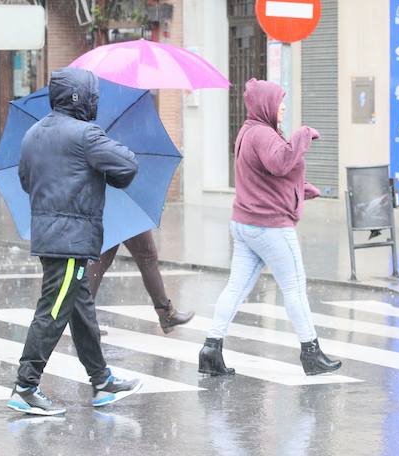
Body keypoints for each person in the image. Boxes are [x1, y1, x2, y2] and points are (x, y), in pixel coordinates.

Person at [7, 68, 142, 416]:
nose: (96, 101)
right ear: (79, 98)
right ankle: (25, 385)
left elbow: (27, 180)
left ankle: (101, 380)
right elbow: (127, 166)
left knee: (80, 310)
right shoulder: (87, 135)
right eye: (93, 95)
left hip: (50, 234)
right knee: (52, 311)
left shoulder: (34, 133)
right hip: (70, 239)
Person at [198, 78, 341, 377]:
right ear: (266, 104)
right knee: (294, 287)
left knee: (236, 288)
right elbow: (281, 162)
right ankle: (311, 353)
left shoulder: (248, 132)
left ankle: (211, 348)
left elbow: (264, 177)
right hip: (270, 226)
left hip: (245, 222)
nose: (284, 106)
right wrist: (303, 135)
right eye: (279, 101)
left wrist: (302, 190)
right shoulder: (263, 134)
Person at [89, 230, 194, 333]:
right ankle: (167, 314)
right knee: (147, 256)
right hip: (126, 215)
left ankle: (83, 317)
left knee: (101, 258)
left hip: (111, 215)